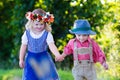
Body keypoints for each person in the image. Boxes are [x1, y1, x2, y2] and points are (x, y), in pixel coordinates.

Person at [19, 8, 63, 80]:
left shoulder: (47, 34)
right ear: (31, 22)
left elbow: (51, 45)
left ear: (45, 23)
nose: (39, 26)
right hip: (31, 59)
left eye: (41, 24)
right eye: (36, 24)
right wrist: (21, 59)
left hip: (43, 58)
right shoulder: (27, 33)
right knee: (31, 77)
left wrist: (57, 55)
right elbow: (23, 46)